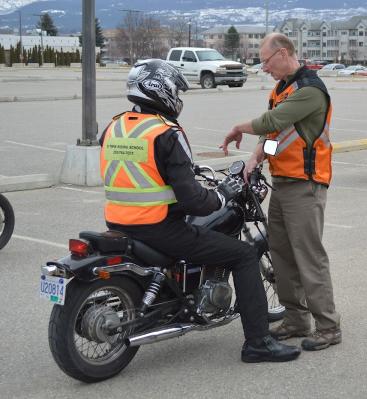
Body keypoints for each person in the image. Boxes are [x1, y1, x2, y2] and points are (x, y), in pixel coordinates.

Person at [98, 59, 300, 363]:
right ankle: (258, 343)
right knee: (244, 255)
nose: (178, 97)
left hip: (119, 221)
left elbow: (142, 171)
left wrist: (184, 171)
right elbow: (193, 200)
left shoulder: (114, 127)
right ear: (161, 89)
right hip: (160, 227)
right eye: (176, 90)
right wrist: (221, 195)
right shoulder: (165, 131)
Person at [221, 33, 341, 351]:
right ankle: (297, 319)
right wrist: (257, 155)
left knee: (308, 256)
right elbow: (279, 133)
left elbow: (272, 120)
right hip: (284, 182)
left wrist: (238, 128)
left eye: (265, 61)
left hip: (306, 185)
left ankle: (328, 326)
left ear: (283, 53)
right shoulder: (282, 89)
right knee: (282, 255)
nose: (264, 68)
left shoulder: (310, 90)